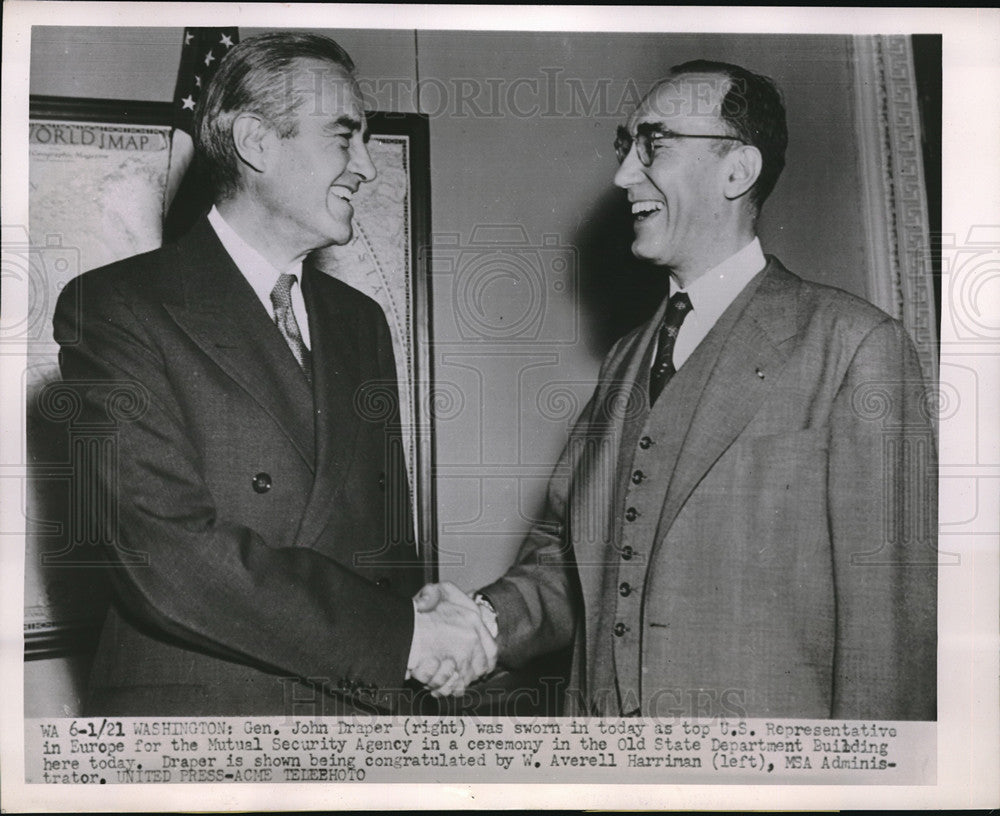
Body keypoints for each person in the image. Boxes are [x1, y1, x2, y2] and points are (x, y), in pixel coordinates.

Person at [417, 60, 937, 720]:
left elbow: (887, 646)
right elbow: (571, 568)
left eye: (653, 145)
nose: (623, 175)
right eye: (625, 146)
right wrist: (481, 627)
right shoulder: (625, 360)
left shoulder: (854, 347)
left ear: (736, 170)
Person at [53, 32, 495, 716]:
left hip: (358, 719)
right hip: (205, 731)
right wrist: (397, 636)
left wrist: (418, 623)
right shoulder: (116, 308)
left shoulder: (360, 321)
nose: (367, 169)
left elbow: (386, 546)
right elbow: (166, 555)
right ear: (257, 143)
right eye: (345, 138)